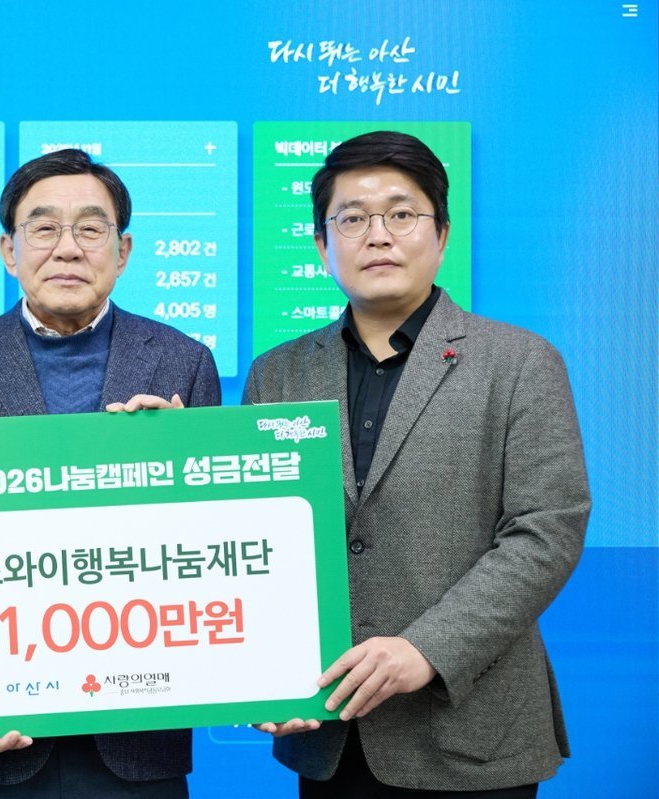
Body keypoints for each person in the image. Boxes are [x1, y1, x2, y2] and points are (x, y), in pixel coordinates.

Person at [244, 131, 590, 797]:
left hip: (471, 732)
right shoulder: (278, 373)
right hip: (328, 728)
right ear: (321, 245)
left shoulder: (520, 362)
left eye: (401, 214)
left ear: (442, 234)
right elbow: (259, 538)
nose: (378, 235)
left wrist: (427, 647)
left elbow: (547, 531)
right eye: (352, 218)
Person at [0, 148, 221, 797]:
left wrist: (183, 467)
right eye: (44, 228)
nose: (68, 247)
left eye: (90, 228)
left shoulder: (183, 363)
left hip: (137, 737)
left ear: (123, 251)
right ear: (8, 250)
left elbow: (217, 547)